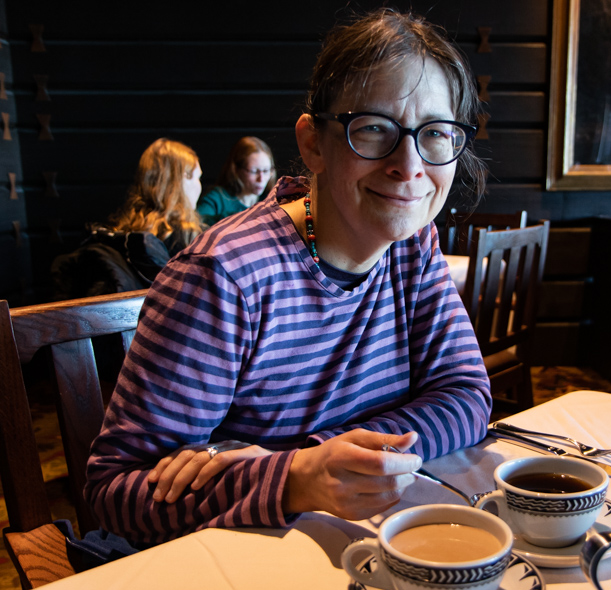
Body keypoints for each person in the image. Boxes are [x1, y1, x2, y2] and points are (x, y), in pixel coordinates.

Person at [85, 8, 491, 545]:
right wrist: (295, 481)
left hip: (349, 548)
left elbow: (466, 396)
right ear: (312, 144)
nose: (409, 165)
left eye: (435, 133)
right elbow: (116, 494)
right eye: (373, 129)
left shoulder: (414, 244)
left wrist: (303, 460)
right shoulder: (225, 277)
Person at [51, 138, 204, 299]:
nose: (199, 186)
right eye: (197, 177)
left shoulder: (126, 229)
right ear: (182, 179)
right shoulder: (184, 235)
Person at [196, 136, 277, 225]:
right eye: (254, 171)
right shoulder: (217, 198)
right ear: (236, 170)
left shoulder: (273, 200)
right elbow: (197, 224)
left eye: (266, 171)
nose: (261, 179)